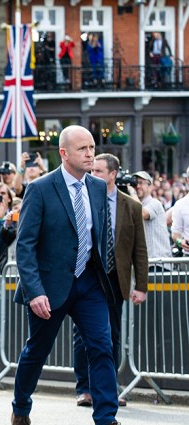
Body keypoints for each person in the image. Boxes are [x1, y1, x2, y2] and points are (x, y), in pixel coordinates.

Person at [11, 125, 138, 425]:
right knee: (36, 351)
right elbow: (25, 245)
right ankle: (21, 410)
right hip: (49, 287)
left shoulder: (97, 187)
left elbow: (100, 235)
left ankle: (106, 423)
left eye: (92, 147)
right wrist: (34, 290)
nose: (90, 153)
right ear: (64, 153)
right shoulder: (40, 188)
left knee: (102, 347)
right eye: (83, 149)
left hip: (89, 284)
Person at [73, 153, 148, 408]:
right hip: (89, 275)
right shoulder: (84, 199)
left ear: (113, 174)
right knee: (83, 335)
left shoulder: (132, 206)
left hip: (116, 278)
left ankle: (108, 388)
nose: (93, 176)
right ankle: (84, 388)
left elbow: (139, 249)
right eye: (91, 171)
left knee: (112, 335)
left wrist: (141, 286)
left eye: (98, 172)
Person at [133, 171, 172, 262]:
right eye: (135, 183)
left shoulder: (155, 203)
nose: (137, 186)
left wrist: (132, 193)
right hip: (144, 262)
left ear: (150, 187)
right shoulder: (133, 205)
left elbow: (142, 213)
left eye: (141, 183)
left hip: (158, 262)